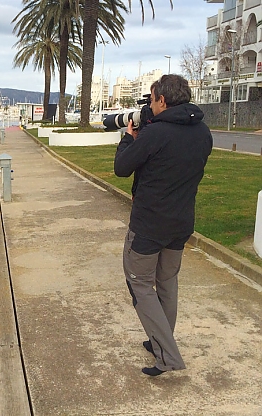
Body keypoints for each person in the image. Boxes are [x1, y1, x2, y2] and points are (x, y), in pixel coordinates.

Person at [114, 74, 213, 376]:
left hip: (148, 226)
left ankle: (167, 356)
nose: (150, 104)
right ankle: (161, 338)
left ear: (162, 100)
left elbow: (122, 168)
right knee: (167, 283)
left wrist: (128, 140)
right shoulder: (203, 133)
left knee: (140, 285)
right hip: (180, 224)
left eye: (152, 98)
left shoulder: (156, 134)